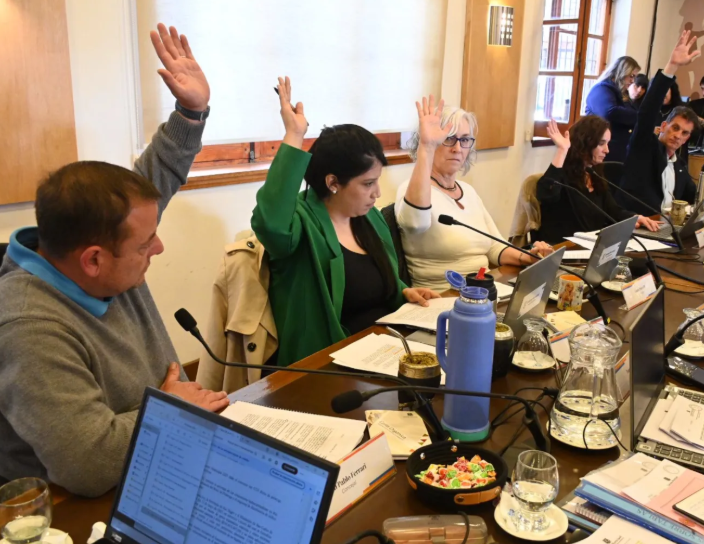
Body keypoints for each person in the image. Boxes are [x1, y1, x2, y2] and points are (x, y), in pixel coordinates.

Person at [0, 24, 228, 497]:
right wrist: (171, 410)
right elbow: (89, 462)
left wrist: (191, 112)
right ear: (93, 261)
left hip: (163, 454)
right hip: (78, 503)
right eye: (146, 245)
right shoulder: (28, 327)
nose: (157, 248)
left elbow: (151, 180)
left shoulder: (94, 240)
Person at [251, 78, 440, 368]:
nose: (377, 193)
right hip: (328, 363)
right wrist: (294, 135)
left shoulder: (369, 218)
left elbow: (375, 279)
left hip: (385, 348)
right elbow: (270, 225)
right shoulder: (301, 224)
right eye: (368, 183)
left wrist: (403, 290)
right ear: (333, 183)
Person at [396, 98, 553, 291]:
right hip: (442, 296)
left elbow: (495, 246)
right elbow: (415, 224)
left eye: (464, 140)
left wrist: (529, 257)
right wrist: (426, 148)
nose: (457, 148)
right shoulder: (410, 190)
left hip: (483, 289)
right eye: (448, 138)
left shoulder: (467, 191)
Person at [534, 116, 659, 243]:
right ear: (585, 143)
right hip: (565, 247)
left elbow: (612, 210)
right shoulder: (562, 174)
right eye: (601, 143)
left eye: (607, 143)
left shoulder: (593, 173)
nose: (607, 150)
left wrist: (635, 217)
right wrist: (562, 150)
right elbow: (546, 194)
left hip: (593, 245)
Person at [616, 30, 701, 216]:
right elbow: (647, 112)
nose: (678, 135)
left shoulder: (679, 165)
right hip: (640, 224)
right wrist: (672, 66)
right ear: (663, 126)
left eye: (684, 133)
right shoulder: (644, 147)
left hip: (667, 225)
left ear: (687, 139)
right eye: (675, 128)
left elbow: (693, 198)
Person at [584, 56, 642, 162]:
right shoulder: (601, 89)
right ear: (622, 72)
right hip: (602, 152)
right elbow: (610, 112)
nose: (632, 81)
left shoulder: (620, 93)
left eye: (634, 77)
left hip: (618, 152)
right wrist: (642, 116)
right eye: (631, 76)